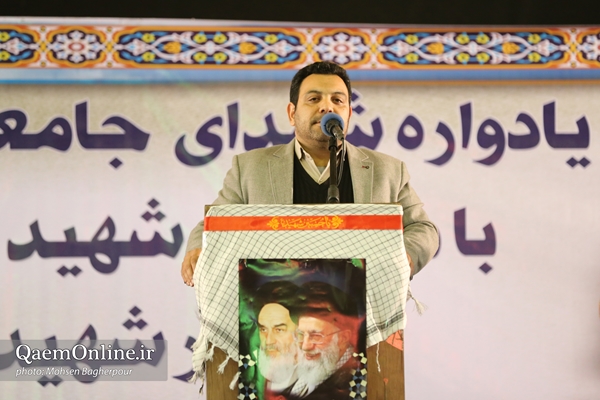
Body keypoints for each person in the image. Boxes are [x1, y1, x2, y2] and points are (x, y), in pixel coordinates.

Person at [181, 61, 439, 286]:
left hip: (366, 310)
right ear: (292, 113)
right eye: (314, 99)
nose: (327, 107)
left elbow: (423, 228)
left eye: (338, 100)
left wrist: (403, 256)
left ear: (349, 113)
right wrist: (198, 247)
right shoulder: (249, 168)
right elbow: (213, 224)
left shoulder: (388, 170)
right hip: (275, 306)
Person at [286, 281, 364, 400]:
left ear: (343, 338)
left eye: (316, 336)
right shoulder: (306, 371)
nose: (305, 346)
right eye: (301, 334)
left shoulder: (357, 384)